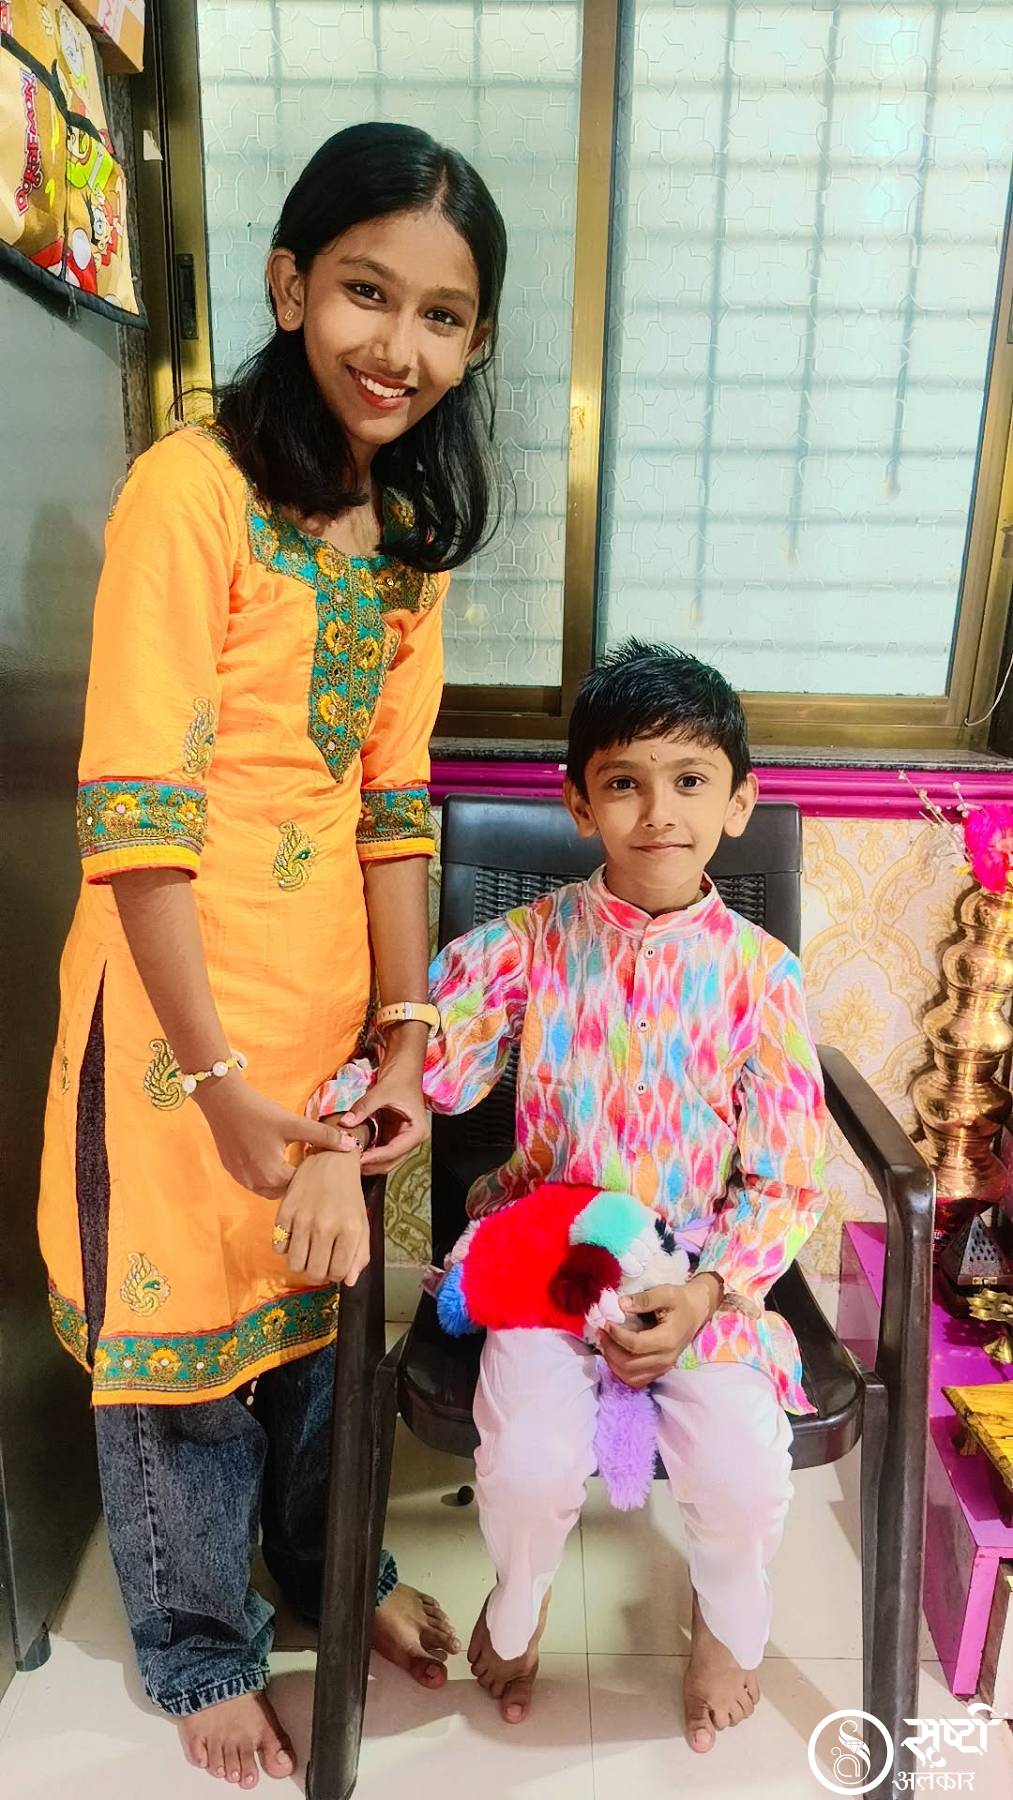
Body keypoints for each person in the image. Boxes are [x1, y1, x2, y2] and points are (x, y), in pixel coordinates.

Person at [37, 121, 507, 1789]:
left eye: (443, 316)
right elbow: (135, 819)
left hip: (325, 1020)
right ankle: (196, 1652)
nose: (399, 346)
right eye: (367, 291)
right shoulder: (193, 491)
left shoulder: (403, 536)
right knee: (177, 1362)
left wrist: (402, 1040)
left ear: (476, 345)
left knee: (317, 1339)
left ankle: (333, 1579)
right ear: (289, 284)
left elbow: (393, 806)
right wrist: (224, 1083)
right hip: (175, 1026)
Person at [301, 640, 827, 1750]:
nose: (658, 812)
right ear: (578, 804)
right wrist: (338, 1130)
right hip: (543, 1268)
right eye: (623, 782)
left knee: (739, 1472)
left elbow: (786, 1172)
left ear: (738, 802)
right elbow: (418, 1061)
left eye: (689, 780)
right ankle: (522, 1598)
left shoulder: (762, 977)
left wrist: (706, 1292)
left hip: (698, 1279)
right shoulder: (526, 946)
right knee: (529, 1466)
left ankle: (727, 1621)